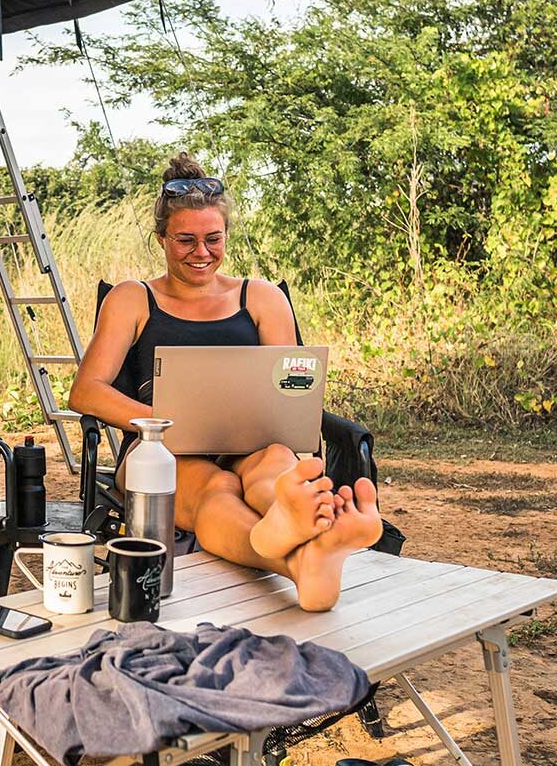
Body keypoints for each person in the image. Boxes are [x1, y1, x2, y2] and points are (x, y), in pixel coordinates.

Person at [68, 153, 382, 611]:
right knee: (216, 488)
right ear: (161, 239)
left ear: (226, 235)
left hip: (249, 437)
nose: (201, 253)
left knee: (275, 461)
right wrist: (158, 423)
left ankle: (297, 522)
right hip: (162, 446)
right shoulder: (133, 297)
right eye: (186, 241)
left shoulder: (261, 297)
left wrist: (294, 430)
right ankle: (299, 561)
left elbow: (293, 387)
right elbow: (87, 390)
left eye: (213, 239)